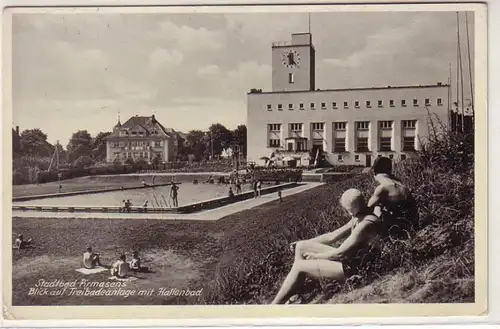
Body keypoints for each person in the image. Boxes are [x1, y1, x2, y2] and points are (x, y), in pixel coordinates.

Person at [272, 189, 382, 304]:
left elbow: (340, 253)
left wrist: (316, 256)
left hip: (356, 269)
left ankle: (275, 305)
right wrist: (306, 242)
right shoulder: (361, 215)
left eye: (347, 209)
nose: (347, 212)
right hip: (351, 259)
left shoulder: (364, 225)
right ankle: (295, 288)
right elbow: (332, 236)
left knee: (299, 266)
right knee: (301, 246)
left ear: (351, 209)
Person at [367, 156, 418, 235]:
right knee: (381, 204)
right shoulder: (399, 183)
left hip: (399, 228)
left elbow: (367, 209)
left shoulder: (382, 187)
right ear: (389, 171)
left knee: (376, 207)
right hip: (412, 223)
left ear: (374, 173)